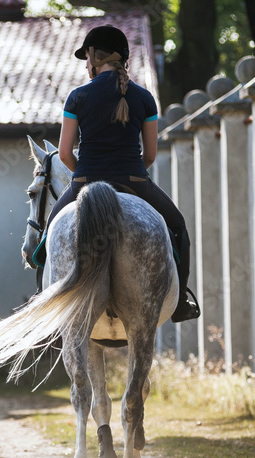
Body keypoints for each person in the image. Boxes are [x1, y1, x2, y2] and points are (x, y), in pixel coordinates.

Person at [31, 24, 200, 323]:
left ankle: (42, 301)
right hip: (135, 181)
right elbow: (149, 155)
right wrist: (129, 174)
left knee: (46, 241)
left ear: (96, 57)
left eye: (87, 57)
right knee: (178, 228)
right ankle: (181, 302)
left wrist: (84, 175)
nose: (85, 64)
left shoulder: (77, 97)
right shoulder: (145, 98)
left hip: (84, 182)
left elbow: (66, 153)